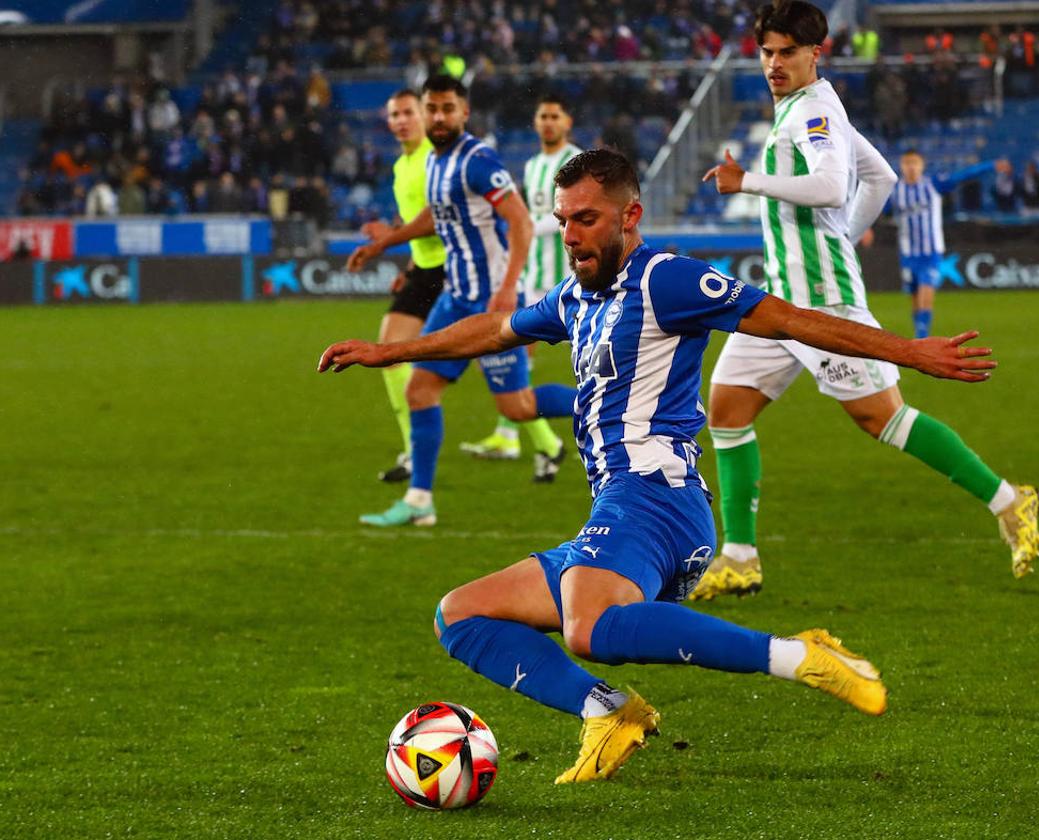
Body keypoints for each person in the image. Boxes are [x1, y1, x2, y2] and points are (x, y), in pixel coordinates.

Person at [318, 149, 999, 783]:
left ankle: (807, 657)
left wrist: (906, 352)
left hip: (661, 501)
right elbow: (494, 330)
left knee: (587, 627)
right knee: (461, 616)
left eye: (586, 219)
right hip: (618, 509)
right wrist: (389, 354)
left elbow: (787, 317)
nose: (572, 235)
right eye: (564, 222)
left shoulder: (667, 279)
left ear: (628, 215)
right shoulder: (573, 298)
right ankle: (606, 711)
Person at [693, 0, 1039, 601]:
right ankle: (741, 557)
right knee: (725, 410)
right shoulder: (807, 108)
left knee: (883, 419)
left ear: (815, 53)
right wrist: (842, 234)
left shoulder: (814, 111)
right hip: (780, 302)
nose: (774, 63)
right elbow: (878, 177)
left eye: (787, 53)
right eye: (767, 53)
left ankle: (1011, 500)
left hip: (823, 302)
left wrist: (746, 181)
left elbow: (831, 184)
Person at [345, 75, 575, 527]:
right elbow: (435, 214)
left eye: (447, 108)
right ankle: (419, 501)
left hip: (491, 304)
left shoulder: (477, 160)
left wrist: (509, 288)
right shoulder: (435, 161)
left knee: (519, 407)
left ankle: (607, 399)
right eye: (431, 108)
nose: (438, 117)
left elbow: (521, 223)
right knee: (420, 389)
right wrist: (386, 242)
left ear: (463, 112)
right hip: (455, 297)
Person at [461, 94, 583, 462]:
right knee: (516, 355)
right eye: (542, 116)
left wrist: (527, 227)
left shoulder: (575, 161)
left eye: (554, 115)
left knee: (591, 358)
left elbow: (572, 212)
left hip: (570, 277)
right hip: (533, 278)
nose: (547, 122)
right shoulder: (531, 166)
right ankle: (509, 436)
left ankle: (604, 425)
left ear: (567, 122)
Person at [358, 90, 449, 485]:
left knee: (502, 371)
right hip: (425, 269)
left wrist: (387, 239)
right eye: (394, 114)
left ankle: (545, 443)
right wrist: (409, 266)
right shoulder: (401, 166)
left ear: (423, 116)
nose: (401, 120)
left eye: (408, 113)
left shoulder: (436, 159)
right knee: (389, 352)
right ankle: (413, 450)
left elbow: (436, 219)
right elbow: (418, 228)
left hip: (456, 268)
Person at [888, 149, 998, 337]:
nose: (911, 167)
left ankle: (922, 337)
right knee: (915, 297)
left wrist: (990, 166)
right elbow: (875, 208)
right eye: (907, 163)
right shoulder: (895, 191)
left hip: (931, 253)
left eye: (915, 162)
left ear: (921, 165)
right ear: (901, 166)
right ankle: (919, 332)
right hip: (907, 254)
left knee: (926, 294)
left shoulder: (933, 185)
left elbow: (963, 176)